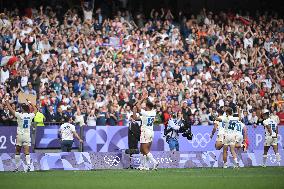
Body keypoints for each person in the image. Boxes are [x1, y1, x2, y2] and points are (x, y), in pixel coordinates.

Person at [5, 98, 37, 172]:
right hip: (26, 135)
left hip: (20, 135)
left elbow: (10, 109)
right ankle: (28, 166)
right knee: (27, 152)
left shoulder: (19, 115)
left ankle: (16, 168)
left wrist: (7, 102)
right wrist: (29, 102)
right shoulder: (30, 116)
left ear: (22, 109)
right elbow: (35, 109)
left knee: (17, 151)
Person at [133, 91, 158, 170]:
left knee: (144, 149)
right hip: (151, 132)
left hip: (145, 132)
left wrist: (142, 99)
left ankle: (154, 162)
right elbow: (136, 118)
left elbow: (137, 105)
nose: (144, 107)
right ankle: (144, 166)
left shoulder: (146, 113)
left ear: (147, 106)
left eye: (145, 106)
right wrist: (134, 111)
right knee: (142, 149)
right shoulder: (153, 112)